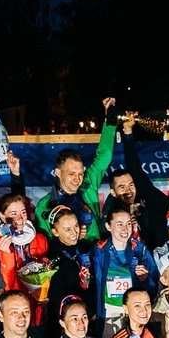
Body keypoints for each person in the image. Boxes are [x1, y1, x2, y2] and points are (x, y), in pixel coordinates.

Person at [34, 98, 120, 240]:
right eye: (72, 173)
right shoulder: (45, 206)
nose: (78, 179)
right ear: (58, 173)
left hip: (95, 250)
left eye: (80, 173)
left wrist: (110, 117)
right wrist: (71, 238)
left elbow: (105, 156)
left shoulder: (88, 183)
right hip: (69, 254)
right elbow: (47, 244)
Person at [92, 206, 157, 336]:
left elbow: (154, 284)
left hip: (135, 312)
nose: (125, 229)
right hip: (109, 313)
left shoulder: (140, 250)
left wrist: (145, 279)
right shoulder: (98, 251)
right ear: (108, 226)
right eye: (119, 224)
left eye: (128, 224)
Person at [42, 206, 97, 332]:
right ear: (55, 232)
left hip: (90, 318)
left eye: (76, 226)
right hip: (67, 323)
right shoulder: (51, 257)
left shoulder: (86, 248)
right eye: (67, 229)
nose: (74, 232)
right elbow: (55, 297)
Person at [0, 193, 51, 297]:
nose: (20, 219)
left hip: (37, 299)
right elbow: (3, 286)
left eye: (23, 212)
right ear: (2, 216)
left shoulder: (40, 239)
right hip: (14, 300)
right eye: (14, 214)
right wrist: (7, 255)